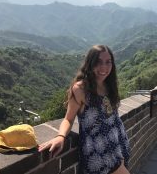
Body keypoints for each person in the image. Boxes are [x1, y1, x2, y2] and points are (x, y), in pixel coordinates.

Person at [38, 45, 130, 174]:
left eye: (108, 62)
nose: (104, 67)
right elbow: (68, 119)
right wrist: (61, 136)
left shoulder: (109, 85)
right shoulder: (81, 89)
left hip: (118, 143)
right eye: (98, 62)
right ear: (90, 63)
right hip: (99, 153)